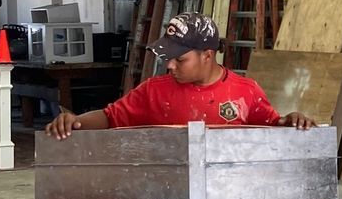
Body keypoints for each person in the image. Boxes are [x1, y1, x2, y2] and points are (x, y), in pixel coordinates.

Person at [45, 12, 314, 138]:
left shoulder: (246, 92)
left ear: (207, 55)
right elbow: (110, 117)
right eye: (168, 58)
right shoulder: (154, 91)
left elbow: (273, 130)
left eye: (180, 59)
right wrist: (75, 121)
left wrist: (291, 121)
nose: (170, 65)